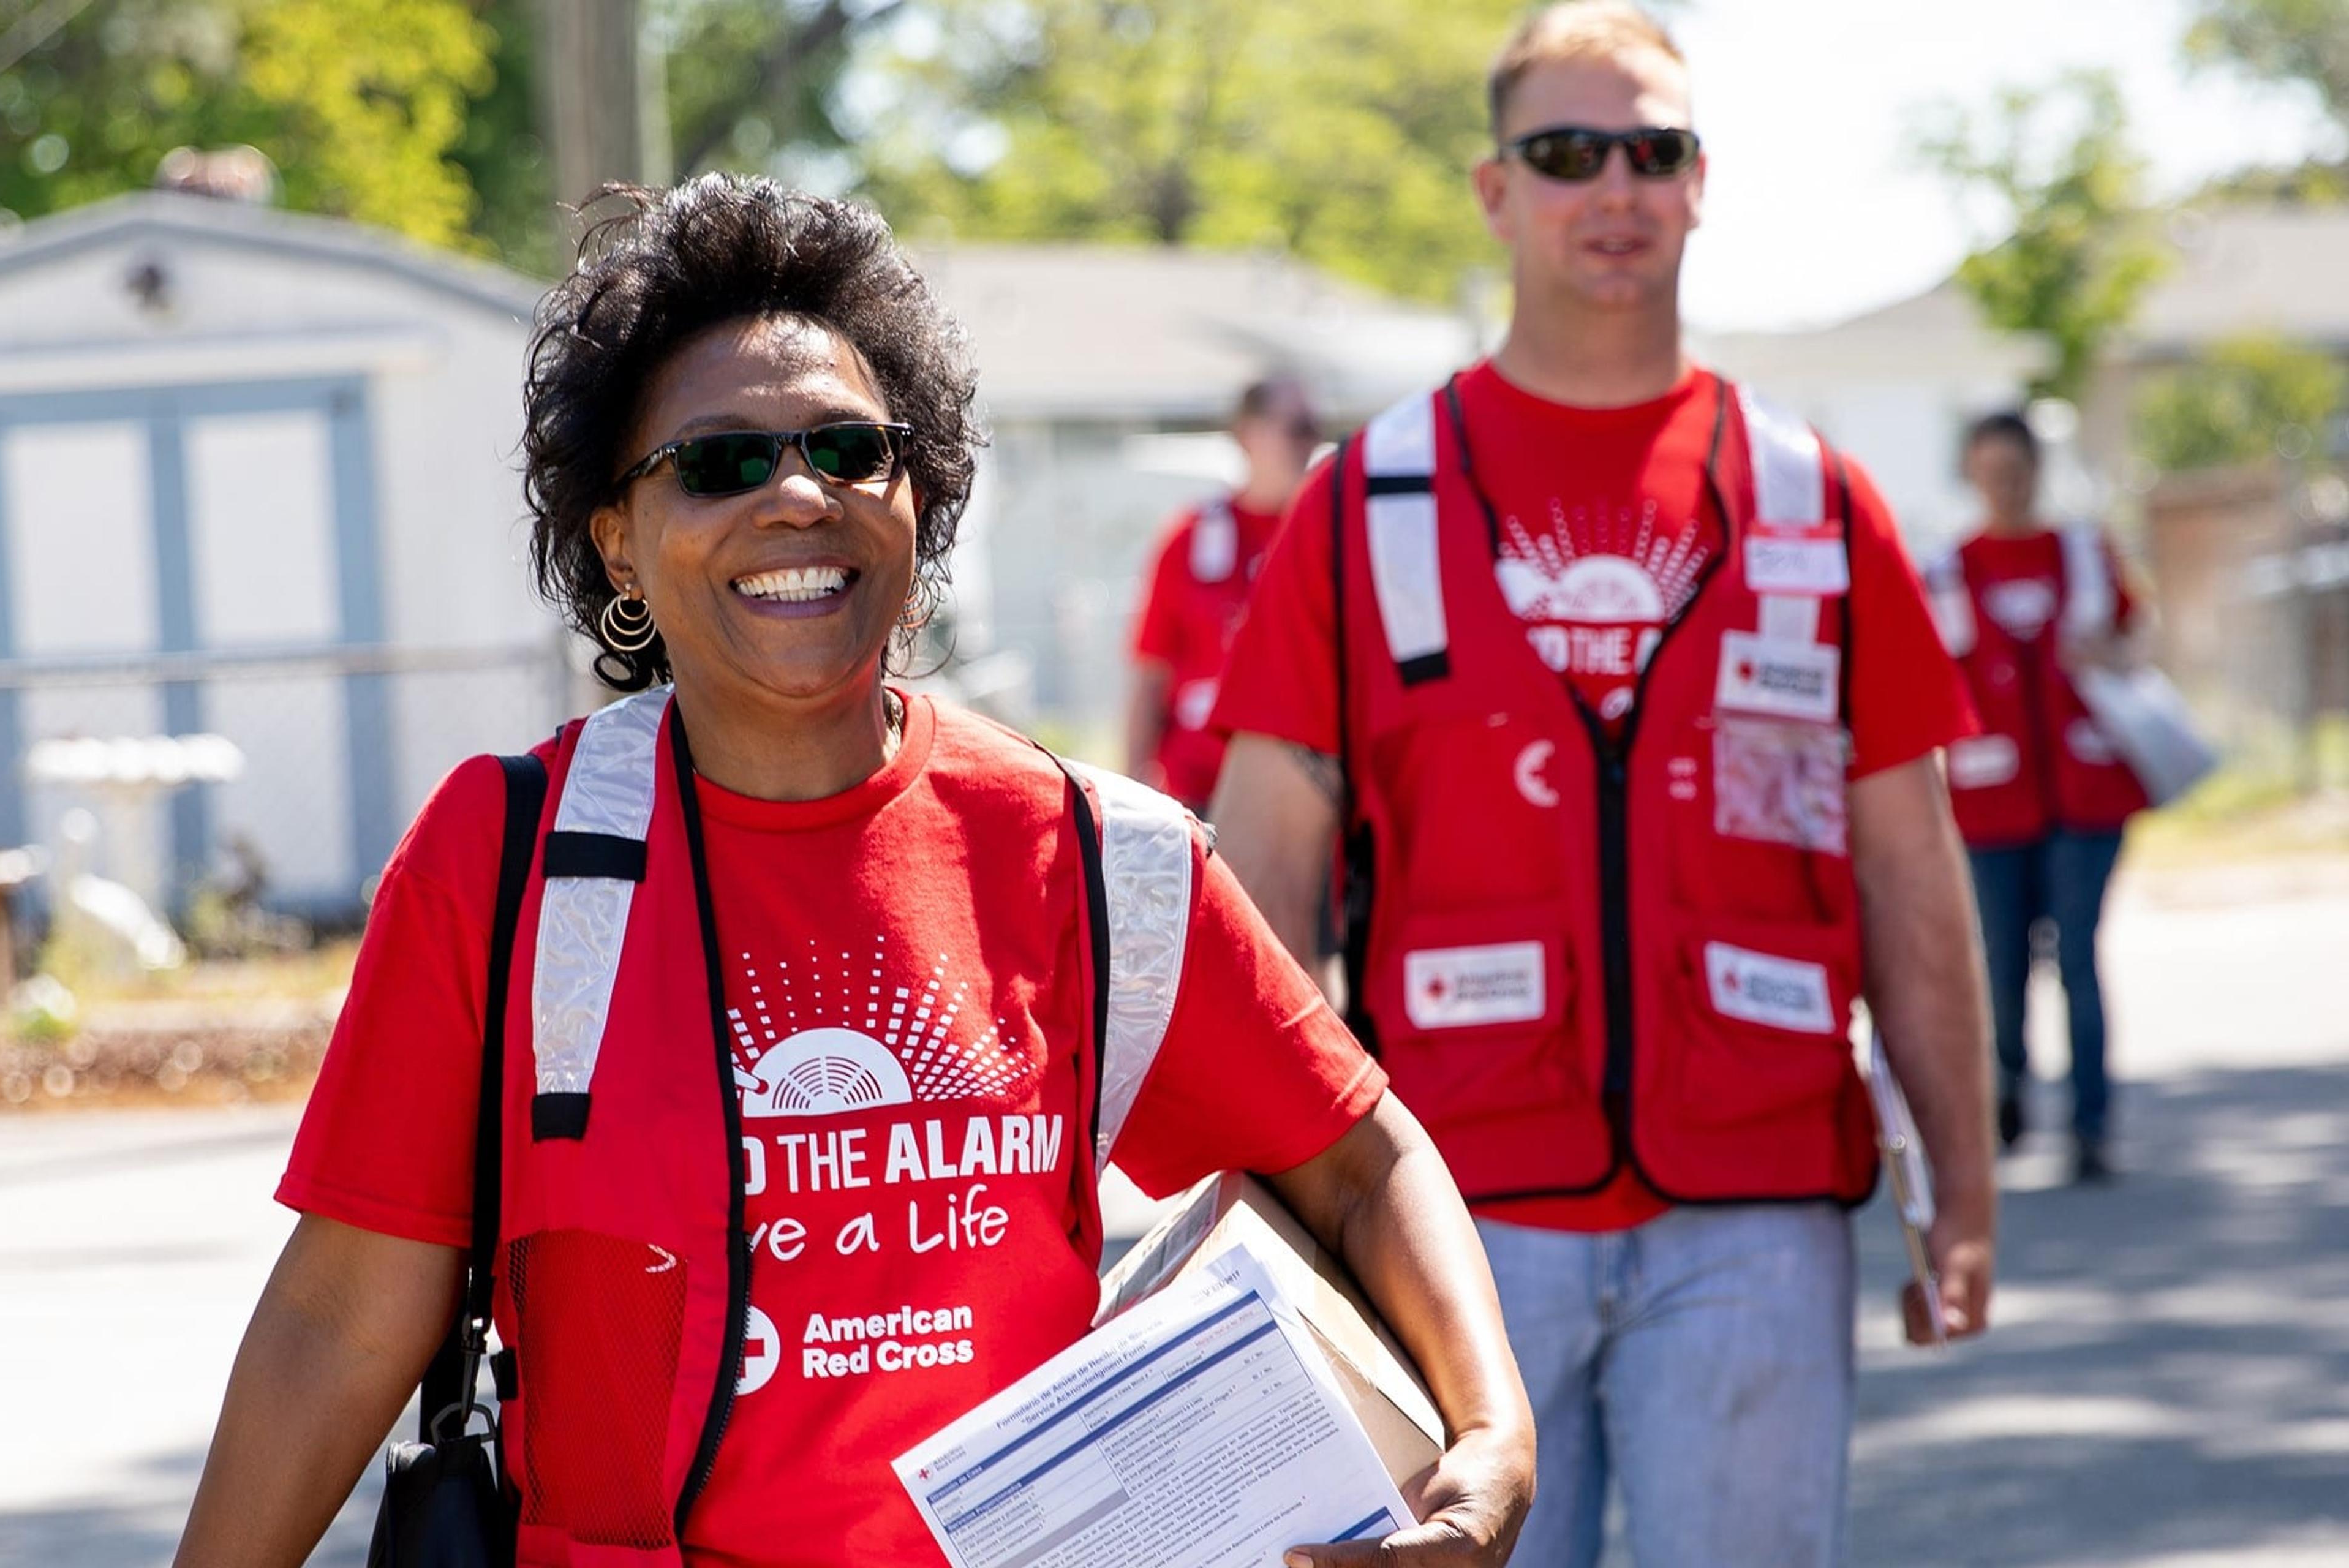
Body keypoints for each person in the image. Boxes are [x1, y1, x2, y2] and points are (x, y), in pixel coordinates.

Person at [173, 176, 1532, 1568]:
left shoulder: (1089, 855)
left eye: (848, 448)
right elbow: (340, 1318)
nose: (798, 493)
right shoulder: (505, 856)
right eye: (718, 462)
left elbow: (1362, 1163)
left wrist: (1491, 1433)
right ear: (617, 540)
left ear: (920, 502)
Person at [1205, 6, 1997, 1564]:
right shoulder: (1362, 506)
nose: (1613, 188)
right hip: (1452, 1225)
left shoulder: (1812, 500)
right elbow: (1260, 892)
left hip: (1757, 1211)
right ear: (1496, 191)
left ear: (1700, 184)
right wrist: (1270, 1212)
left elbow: (1912, 867)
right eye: (1566, 154)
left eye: (1653, 152)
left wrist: (1959, 1180)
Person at [1928, 411, 2149, 1184]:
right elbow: (1928, 681)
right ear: (1972, 473)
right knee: (2003, 958)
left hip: (2086, 795)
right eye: (1990, 472)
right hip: (1993, 803)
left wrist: (2111, 655)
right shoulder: (1950, 570)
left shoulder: (2083, 554)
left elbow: (2135, 636)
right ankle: (2009, 1088)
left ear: (2034, 469)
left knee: (2079, 955)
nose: (2004, 485)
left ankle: (2091, 1123)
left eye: (2015, 470)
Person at [1126, 375, 1324, 813]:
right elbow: (1149, 676)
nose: (1307, 443)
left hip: (1300, 802)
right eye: (1296, 428)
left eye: (1313, 429)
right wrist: (1129, 795)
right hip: (1196, 796)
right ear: (1247, 434)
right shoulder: (1190, 539)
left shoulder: (1331, 540)